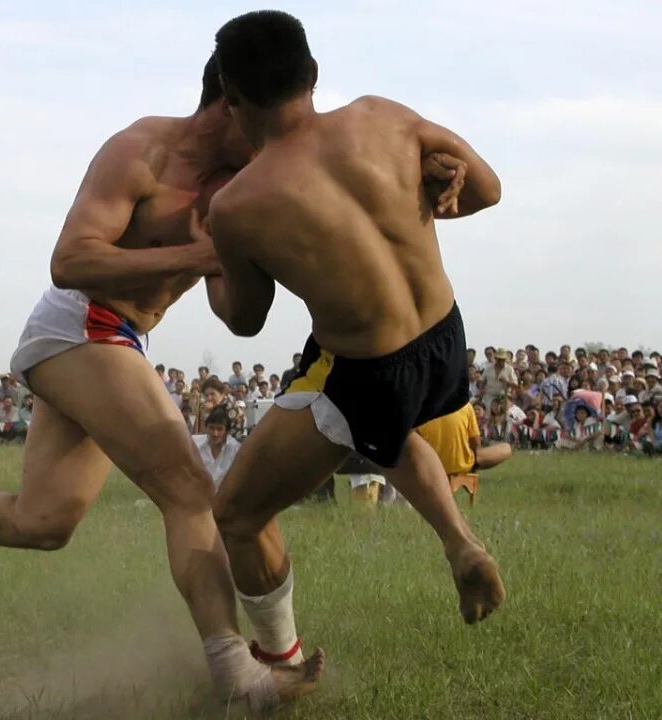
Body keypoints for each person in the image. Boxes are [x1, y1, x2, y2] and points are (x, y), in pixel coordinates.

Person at [0, 54, 463, 710]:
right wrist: (204, 254)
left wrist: (418, 182)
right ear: (229, 104)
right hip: (81, 323)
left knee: (43, 519)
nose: (276, 137)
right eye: (262, 119)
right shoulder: (142, 151)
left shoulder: (249, 178)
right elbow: (70, 260)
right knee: (192, 491)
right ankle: (237, 673)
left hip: (120, 338)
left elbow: (311, 234)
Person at [193, 11, 504, 672]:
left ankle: (279, 664)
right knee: (381, 431)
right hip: (444, 334)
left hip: (370, 368)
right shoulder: (384, 117)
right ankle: (460, 543)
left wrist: (209, 260)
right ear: (312, 74)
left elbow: (245, 321)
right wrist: (434, 181)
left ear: (233, 100)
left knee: (237, 514)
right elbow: (484, 190)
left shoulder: (238, 205)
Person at [417, 403, 512, 478]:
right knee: (506, 448)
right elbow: (475, 444)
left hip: (427, 465)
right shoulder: (465, 406)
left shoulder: (418, 406)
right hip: (460, 464)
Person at [192, 406, 242, 491]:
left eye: (219, 429)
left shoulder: (235, 449)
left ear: (227, 432)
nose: (215, 433)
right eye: (211, 428)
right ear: (206, 428)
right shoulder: (194, 443)